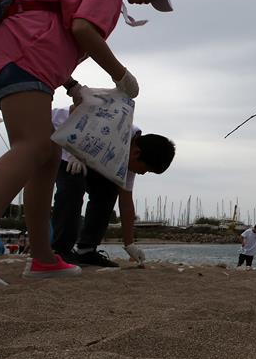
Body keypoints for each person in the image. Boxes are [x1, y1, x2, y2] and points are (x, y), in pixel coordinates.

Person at [0, 0, 173, 285]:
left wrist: (72, 85)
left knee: (46, 157)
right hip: (23, 52)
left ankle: (44, 257)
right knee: (31, 146)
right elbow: (82, 29)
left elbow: (52, 24)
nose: (148, 0)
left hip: (15, 51)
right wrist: (121, 75)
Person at [50, 105, 175, 267]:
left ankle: (86, 250)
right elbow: (78, 110)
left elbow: (126, 202)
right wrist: (74, 152)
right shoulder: (116, 126)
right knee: (73, 184)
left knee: (108, 190)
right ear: (137, 153)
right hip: (56, 135)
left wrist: (129, 244)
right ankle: (61, 250)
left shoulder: (129, 157)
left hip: (85, 155)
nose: (142, 174)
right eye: (145, 170)